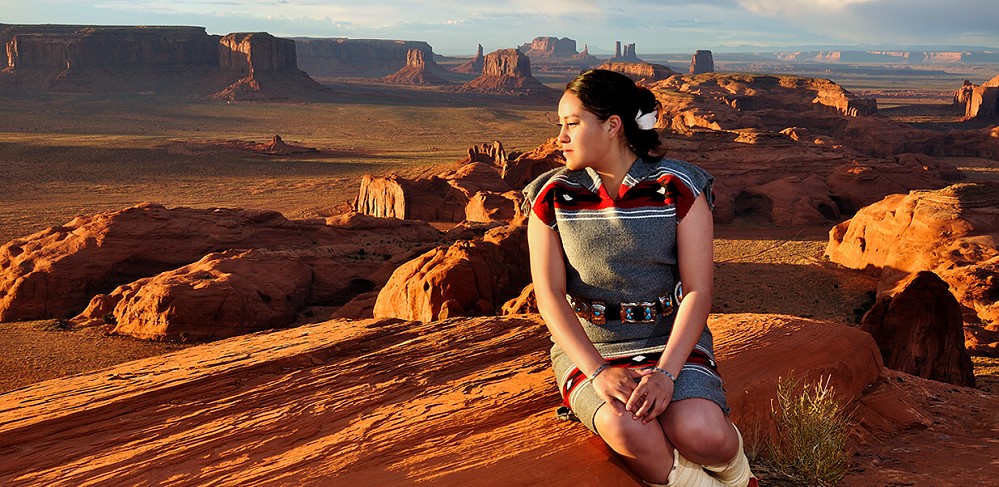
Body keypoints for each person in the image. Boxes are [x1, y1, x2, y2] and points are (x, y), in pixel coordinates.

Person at [523, 69, 756, 487]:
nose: (560, 136)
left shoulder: (679, 186)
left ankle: (739, 476)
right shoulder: (550, 196)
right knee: (629, 427)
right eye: (560, 125)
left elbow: (699, 291)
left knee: (701, 433)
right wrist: (597, 372)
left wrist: (666, 374)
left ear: (613, 125)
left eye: (571, 124)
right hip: (594, 348)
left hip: (670, 339)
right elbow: (549, 296)